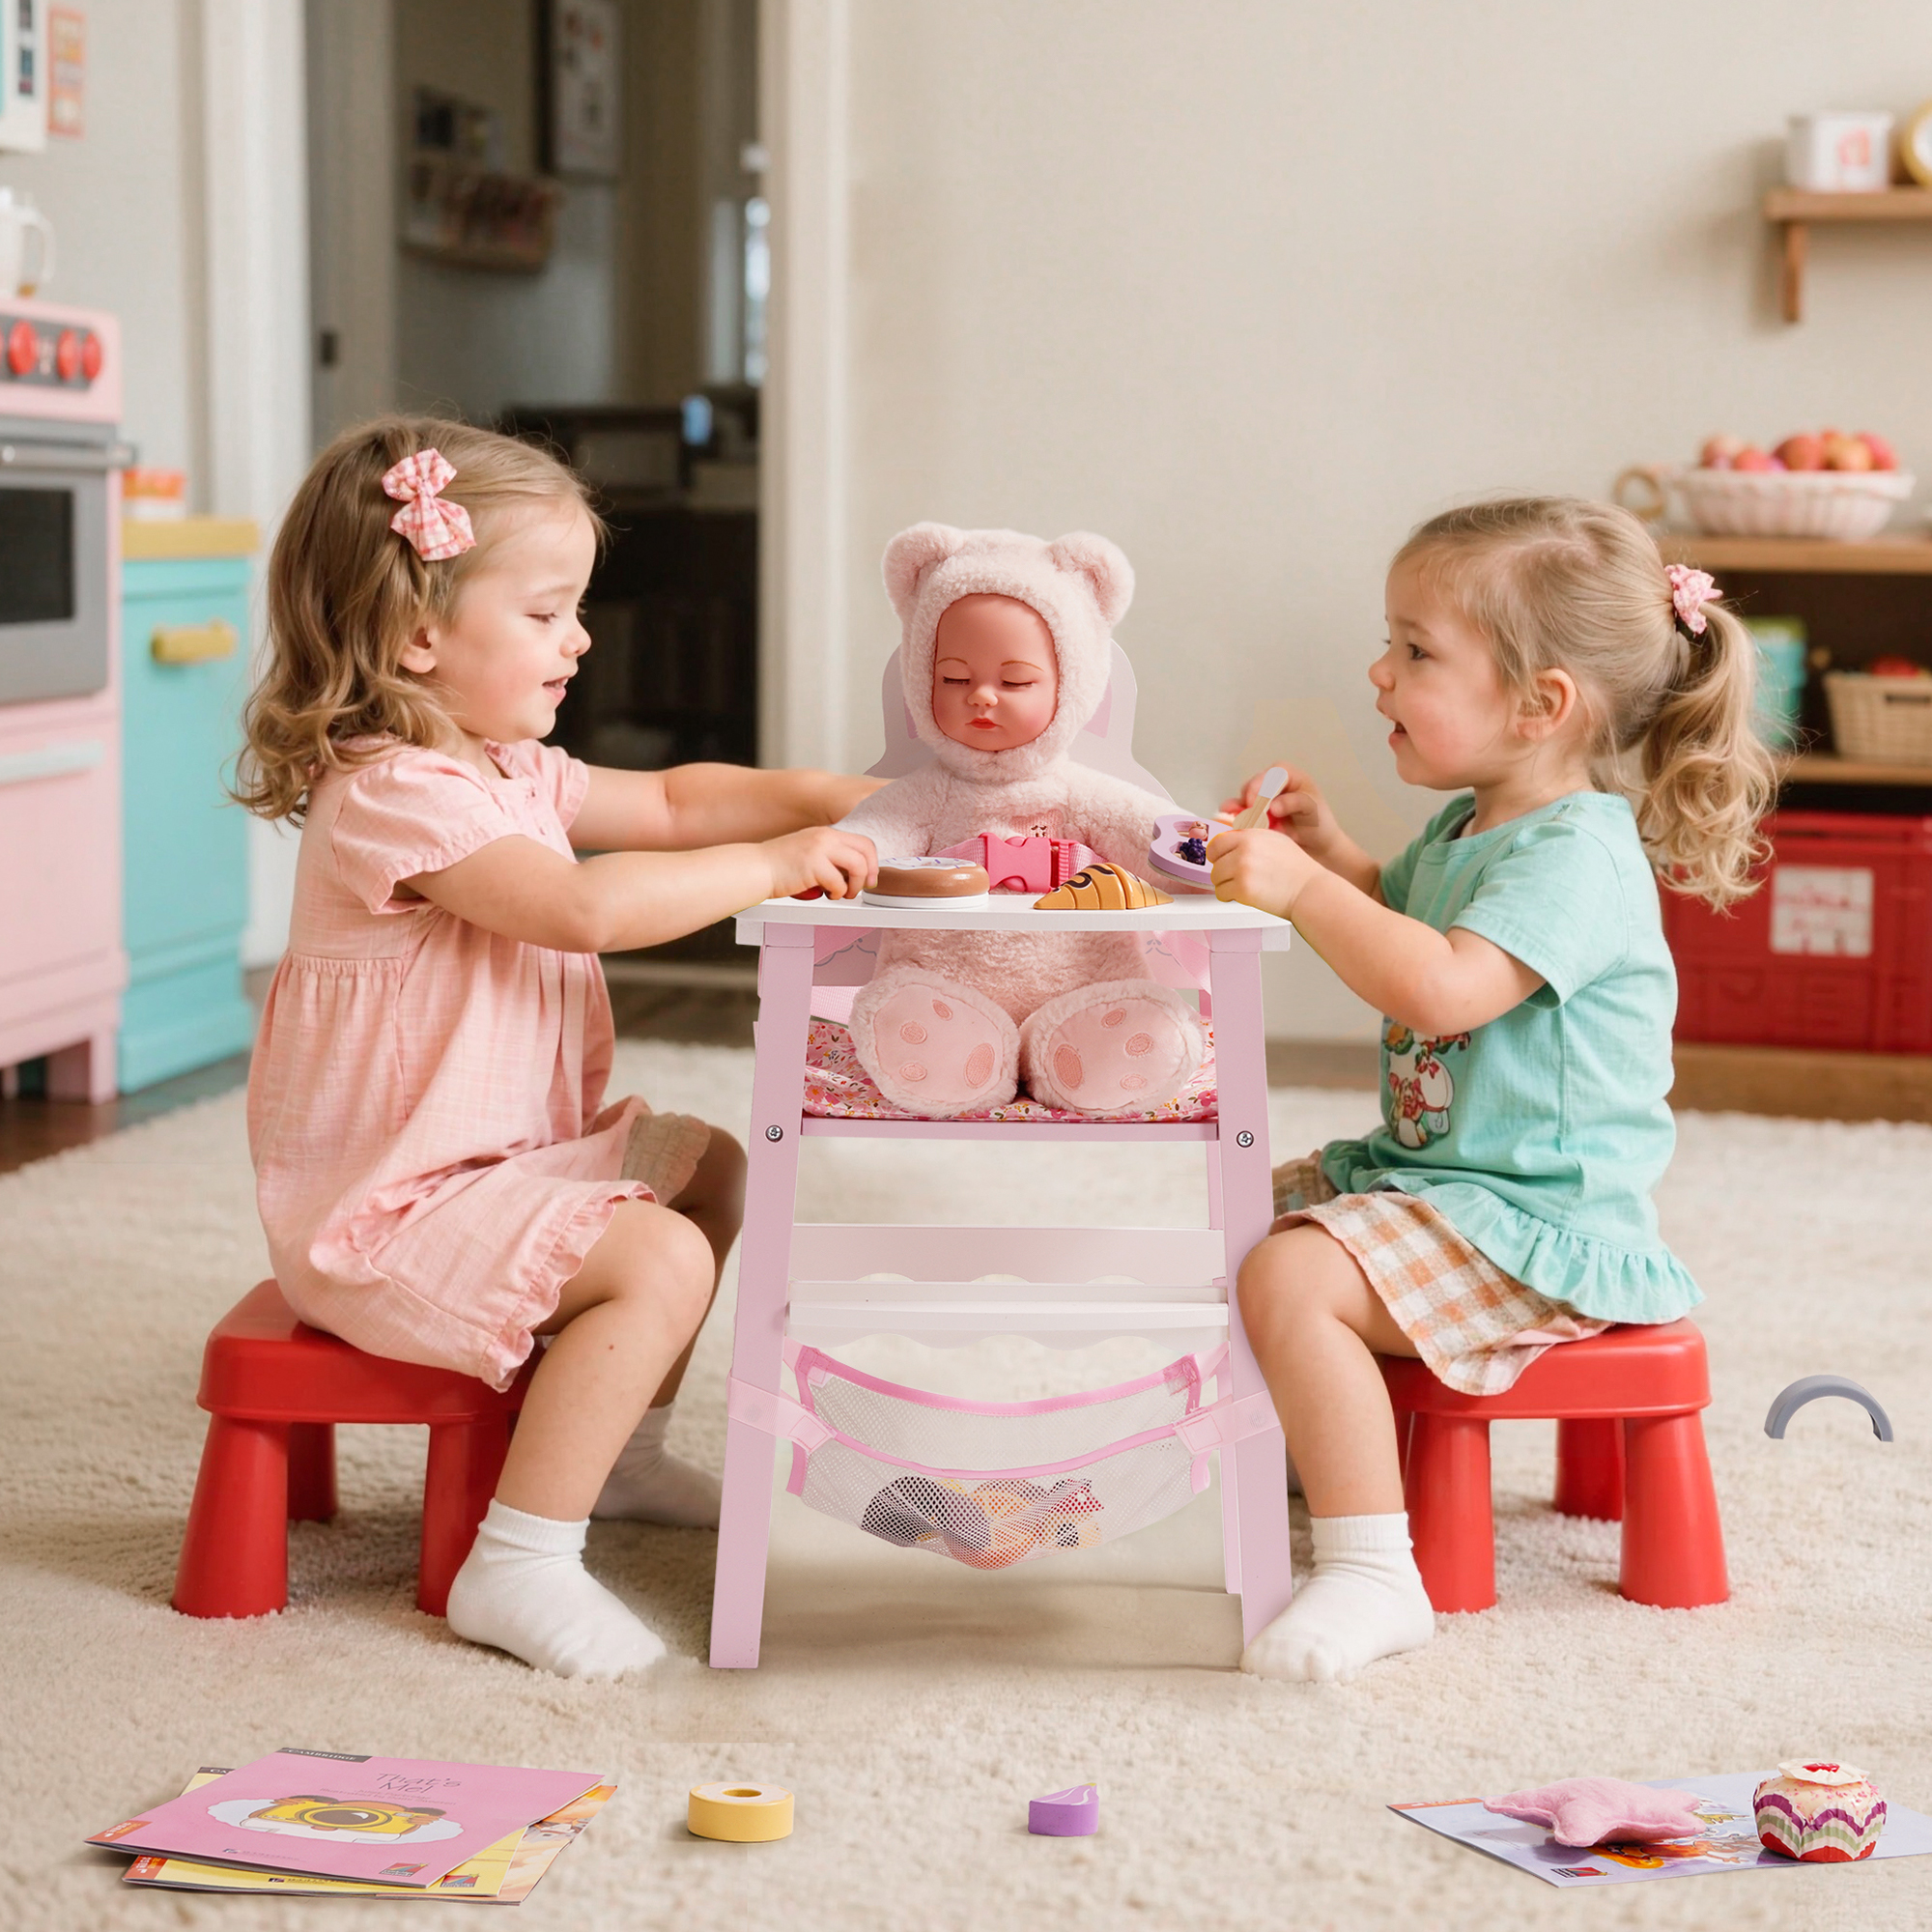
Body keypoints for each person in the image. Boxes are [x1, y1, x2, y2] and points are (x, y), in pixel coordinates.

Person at [235, 416, 877, 1679]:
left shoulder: (501, 765)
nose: (580, 639)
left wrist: (820, 796)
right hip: (391, 1213)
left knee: (715, 1170)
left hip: (498, 1165)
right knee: (657, 1260)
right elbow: (584, 908)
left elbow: (680, 798)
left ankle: (620, 1454)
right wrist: (778, 865)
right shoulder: (393, 795)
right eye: (545, 613)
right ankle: (520, 1559)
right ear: (419, 636)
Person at [1209, 497, 1775, 1683]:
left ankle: (1373, 1569)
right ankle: (1315, 1456)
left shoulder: (1572, 855)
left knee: (1293, 1271)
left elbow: (1441, 987)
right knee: (1234, 1216)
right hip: (1446, 1185)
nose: (1379, 669)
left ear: (1540, 704)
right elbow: (1403, 913)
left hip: (1538, 1222)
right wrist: (1330, 854)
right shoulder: (1473, 825)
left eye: (1415, 651)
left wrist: (1303, 897)